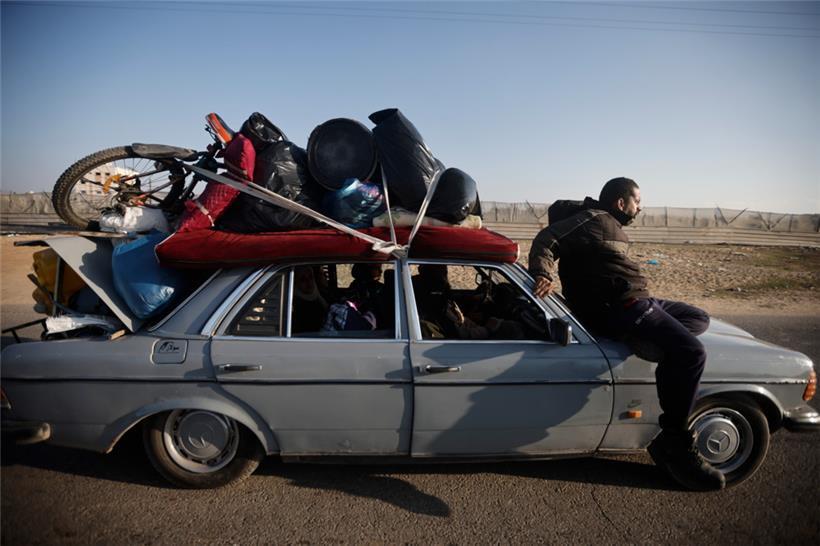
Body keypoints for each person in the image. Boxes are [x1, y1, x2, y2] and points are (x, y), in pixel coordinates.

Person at [528, 177, 725, 491]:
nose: (640, 207)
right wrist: (542, 273)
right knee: (693, 353)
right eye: (637, 201)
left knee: (697, 317)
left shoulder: (607, 225)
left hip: (638, 301)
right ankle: (674, 439)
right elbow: (546, 239)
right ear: (621, 203)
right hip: (623, 306)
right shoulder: (592, 220)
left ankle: (643, 340)